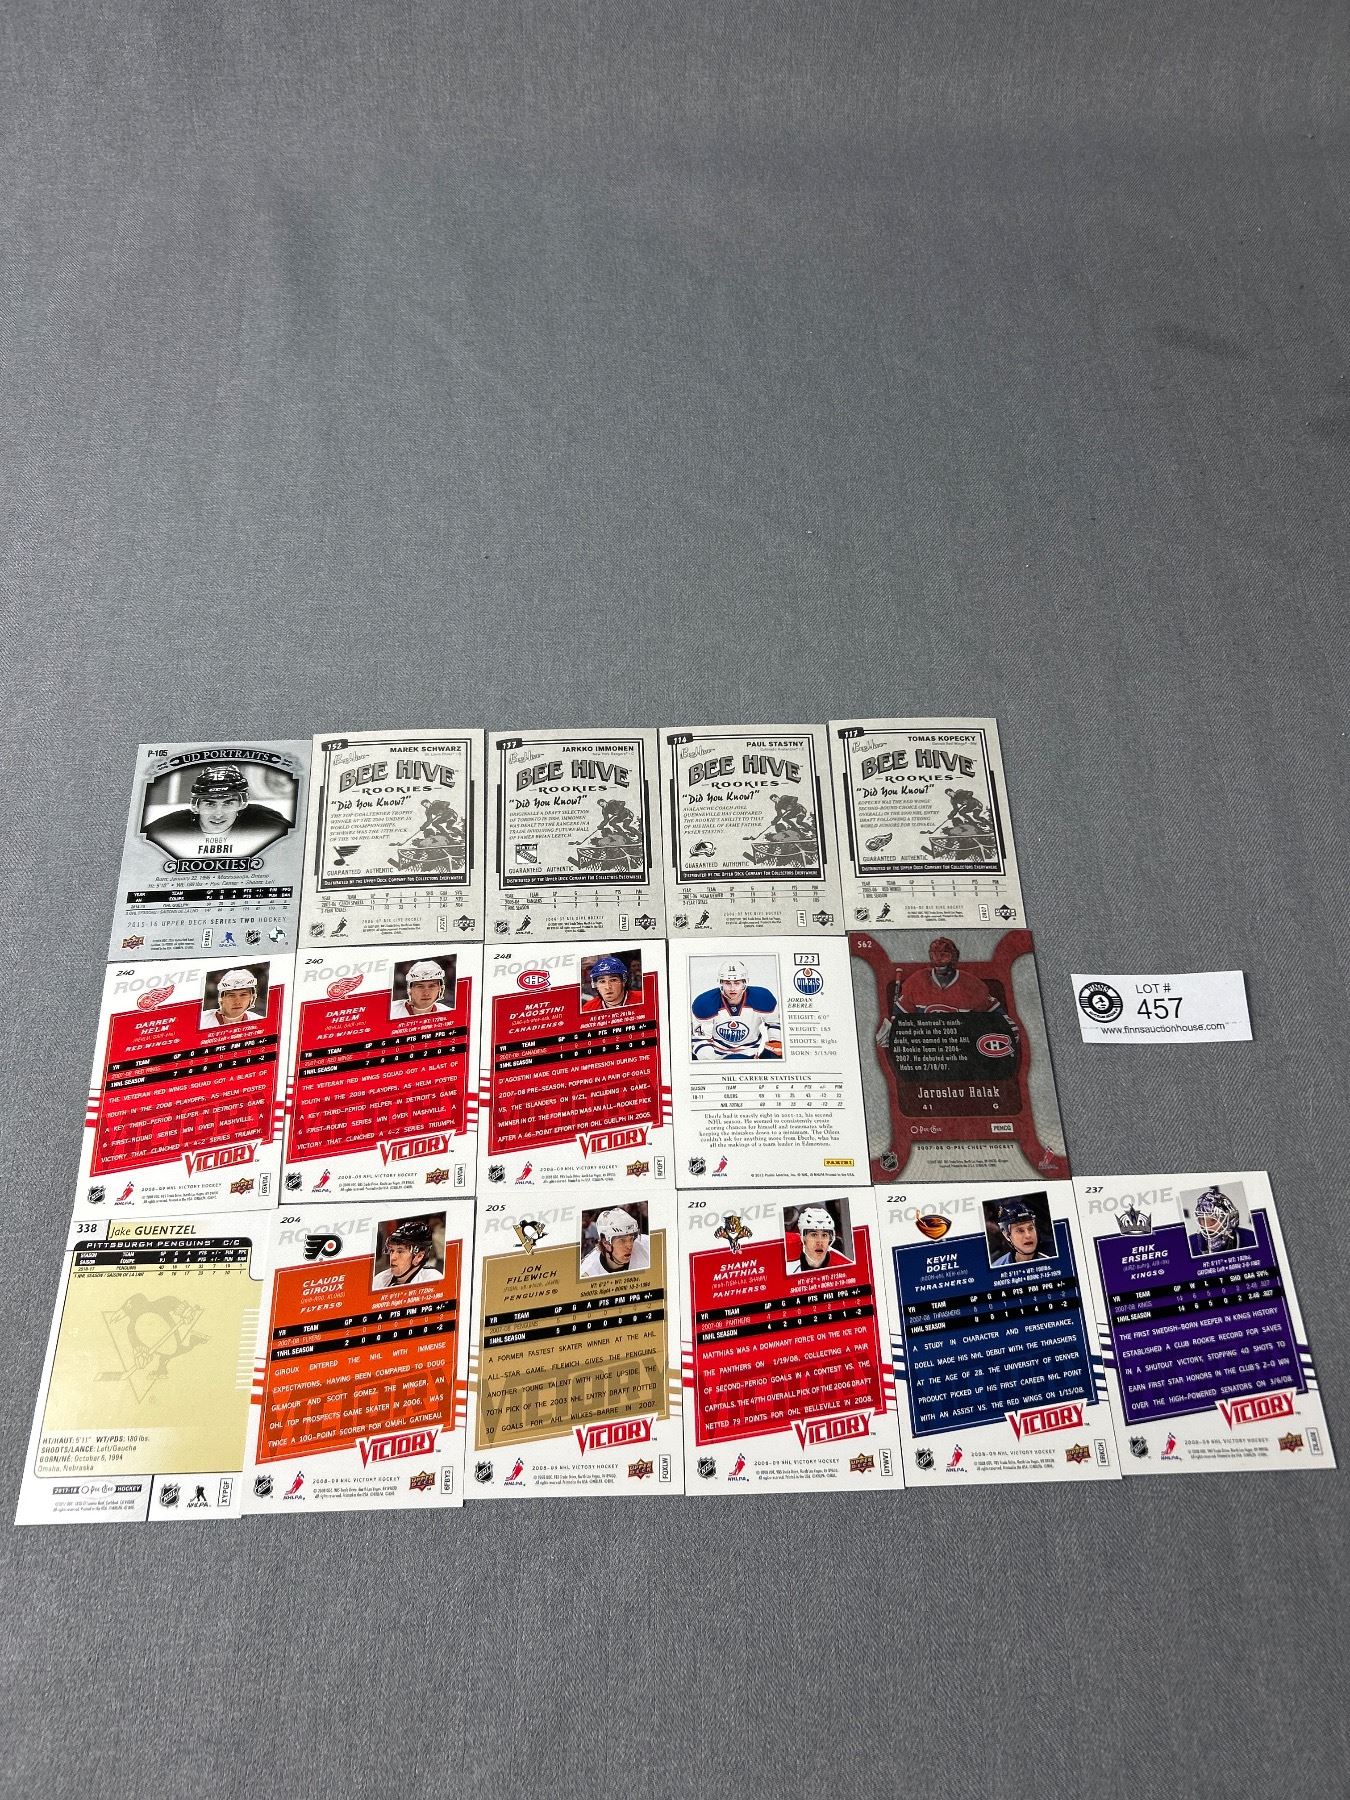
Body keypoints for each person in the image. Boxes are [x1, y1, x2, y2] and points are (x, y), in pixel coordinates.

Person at [146, 764, 292, 858]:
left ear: (242, 804)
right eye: (210, 804)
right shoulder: (165, 829)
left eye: (228, 804)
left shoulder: (268, 823)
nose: (218, 814)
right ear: (196, 806)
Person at [691, 959, 782, 1059]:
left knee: (778, 1053)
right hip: (717, 1054)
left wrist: (775, 1042)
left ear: (744, 983)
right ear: (721, 983)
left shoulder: (762, 998)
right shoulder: (705, 1003)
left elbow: (775, 1022)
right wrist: (714, 1062)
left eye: (737, 983)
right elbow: (700, 1040)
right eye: (727, 983)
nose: (732, 988)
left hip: (749, 1053)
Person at [373, 1218, 443, 1288]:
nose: (393, 1257)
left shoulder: (433, 1279)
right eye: (392, 1250)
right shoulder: (379, 1279)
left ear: (419, 1256)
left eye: (400, 1251)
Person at [580, 1207, 650, 1277]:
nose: (630, 1246)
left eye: (631, 1238)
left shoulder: (647, 1244)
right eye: (622, 1240)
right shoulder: (588, 1272)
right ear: (605, 1243)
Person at [1188, 1185, 1252, 1256]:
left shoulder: (1250, 1239)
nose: (1207, 1225)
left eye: (1213, 1220)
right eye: (1203, 1219)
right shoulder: (1190, 1243)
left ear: (1228, 1220)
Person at [787, 1205, 851, 1272]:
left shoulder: (844, 1266)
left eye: (824, 1235)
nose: (820, 1242)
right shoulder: (789, 1246)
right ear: (803, 1237)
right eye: (814, 1235)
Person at [990, 1196, 1051, 1264]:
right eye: (1020, 1230)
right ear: (1006, 1235)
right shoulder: (997, 1266)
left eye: (1030, 1228)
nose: (1028, 1235)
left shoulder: (1053, 1259)